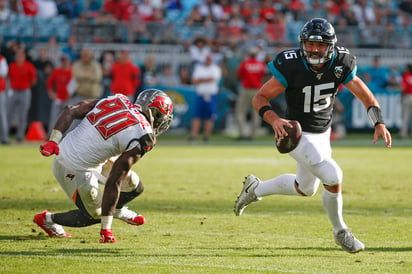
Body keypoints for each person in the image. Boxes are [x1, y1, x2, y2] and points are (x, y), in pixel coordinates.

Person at [234, 18, 392, 253]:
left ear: (331, 46)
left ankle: (255, 189)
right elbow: (259, 98)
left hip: (322, 133)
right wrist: (275, 120)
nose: (315, 50)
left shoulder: (341, 62)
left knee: (305, 189)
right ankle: (341, 232)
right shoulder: (291, 64)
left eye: (320, 45)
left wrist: (378, 121)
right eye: (310, 44)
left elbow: (365, 94)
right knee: (333, 175)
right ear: (302, 44)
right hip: (295, 133)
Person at [34, 89, 174, 243]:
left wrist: (54, 140)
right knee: (96, 214)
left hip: (81, 153)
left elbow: (71, 110)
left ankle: (117, 210)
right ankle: (48, 219)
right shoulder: (144, 135)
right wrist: (106, 228)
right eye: (161, 117)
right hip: (73, 166)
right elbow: (114, 179)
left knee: (134, 185)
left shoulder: (118, 99)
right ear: (153, 113)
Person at [189, 54, 222, 143]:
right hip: (201, 94)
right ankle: (193, 136)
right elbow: (194, 80)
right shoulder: (199, 68)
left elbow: (213, 79)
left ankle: (206, 137)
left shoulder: (215, 69)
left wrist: (201, 80)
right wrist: (206, 79)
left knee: (209, 117)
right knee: (196, 116)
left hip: (211, 95)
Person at [235, 46, 266, 140]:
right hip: (257, 90)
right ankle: (254, 135)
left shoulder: (244, 63)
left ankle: (242, 134)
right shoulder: (261, 64)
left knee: (240, 111)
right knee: (256, 113)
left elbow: (239, 76)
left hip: (246, 89)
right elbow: (262, 76)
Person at [7, 50, 37, 143]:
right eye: (17, 56)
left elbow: (33, 79)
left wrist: (27, 86)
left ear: (24, 57)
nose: (19, 57)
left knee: (23, 114)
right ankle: (5, 134)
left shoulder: (29, 66)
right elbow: (9, 78)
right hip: (14, 90)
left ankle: (20, 136)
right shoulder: (12, 65)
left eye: (21, 56)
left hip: (25, 91)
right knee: (9, 113)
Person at [46, 54, 72, 137]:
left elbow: (75, 85)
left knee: (67, 119)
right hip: (58, 98)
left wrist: (72, 95)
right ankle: (51, 136)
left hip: (68, 98)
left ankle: (65, 136)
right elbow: (49, 82)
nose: (64, 62)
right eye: (63, 61)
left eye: (65, 60)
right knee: (54, 118)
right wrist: (51, 93)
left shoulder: (72, 71)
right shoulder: (57, 71)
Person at [399, 64, 412, 139]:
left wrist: (401, 96)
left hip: (407, 96)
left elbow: (403, 87)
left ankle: (403, 134)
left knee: (405, 116)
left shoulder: (405, 75)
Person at [0, 53, 8, 144]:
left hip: (0, 89)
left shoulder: (2, 59)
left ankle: (4, 137)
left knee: (2, 113)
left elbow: (3, 72)